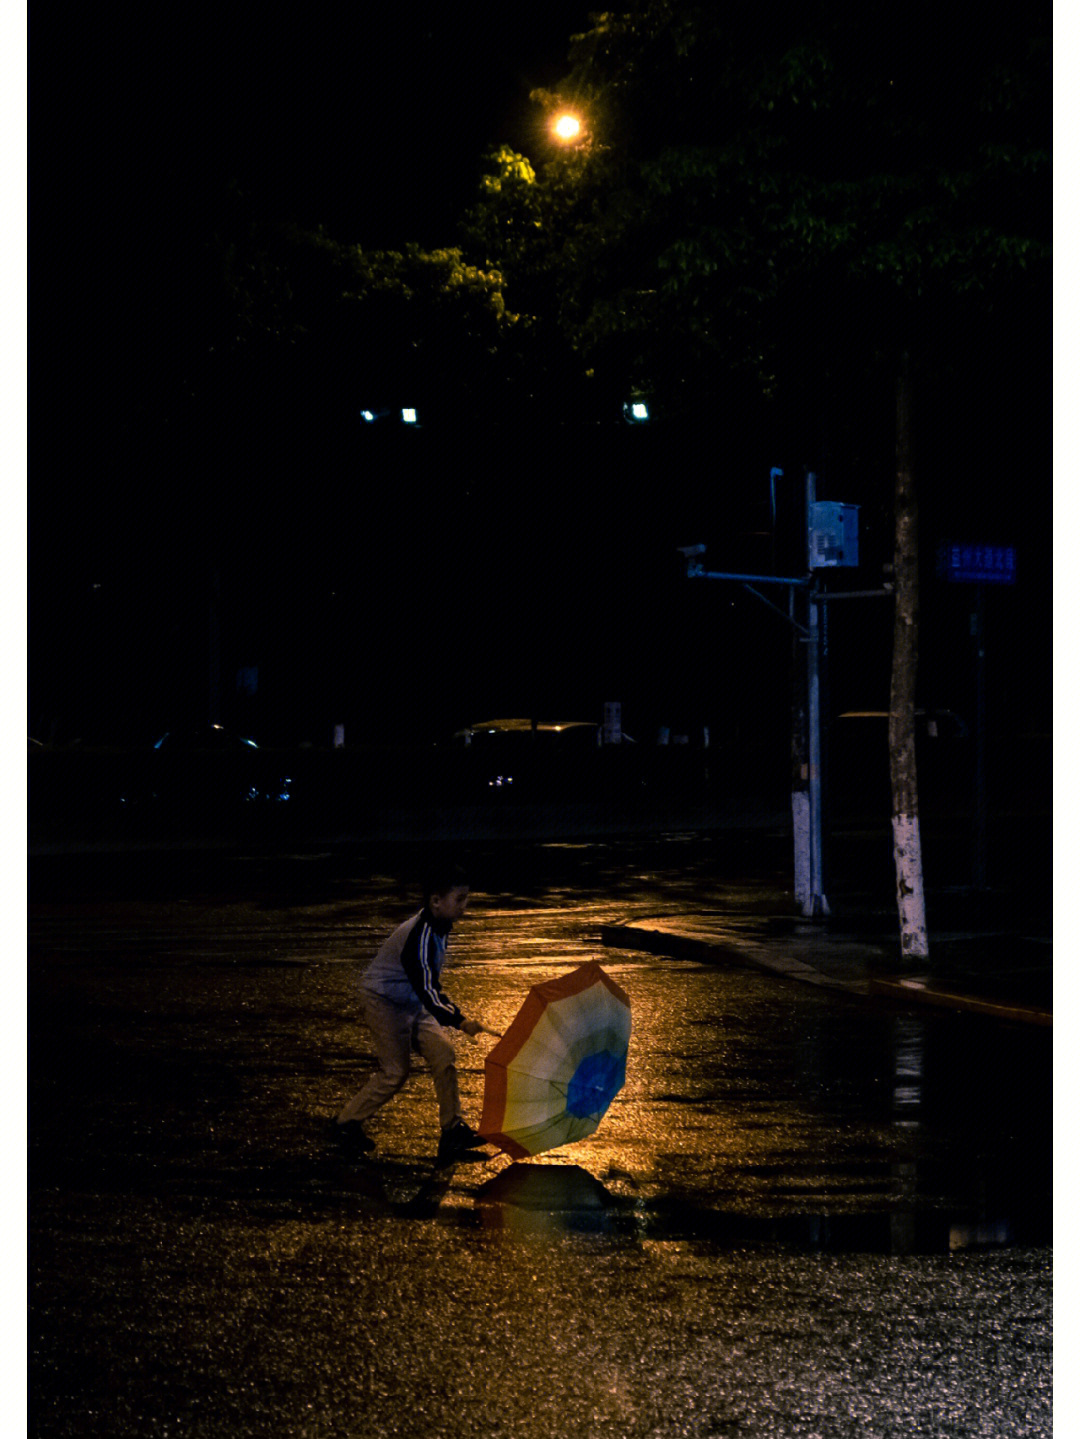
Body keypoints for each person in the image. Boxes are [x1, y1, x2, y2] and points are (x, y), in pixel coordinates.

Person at [333, 864, 501, 1166]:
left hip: (409, 999)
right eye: (459, 899)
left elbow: (425, 989)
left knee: (443, 1054)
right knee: (395, 1072)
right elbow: (428, 989)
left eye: (466, 898)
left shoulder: (438, 927)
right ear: (436, 901)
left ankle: (451, 1130)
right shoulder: (420, 935)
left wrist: (454, 1018)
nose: (465, 906)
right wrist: (460, 1021)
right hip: (383, 1001)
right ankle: (345, 1124)